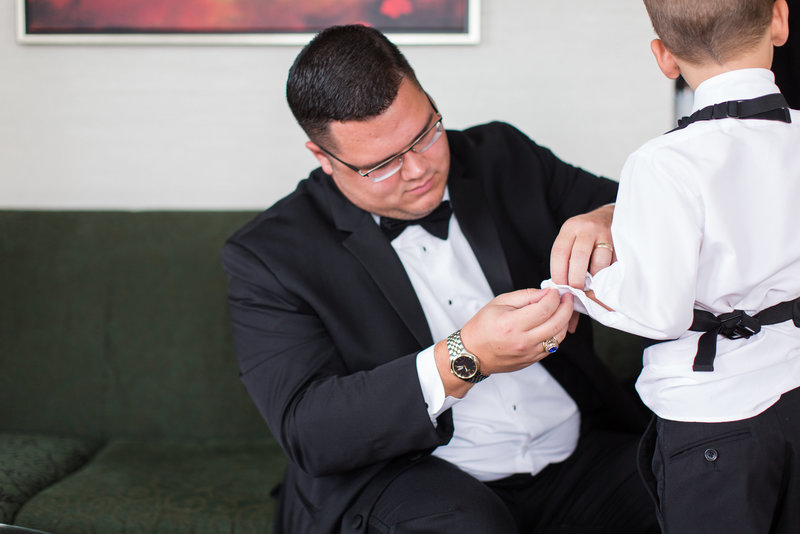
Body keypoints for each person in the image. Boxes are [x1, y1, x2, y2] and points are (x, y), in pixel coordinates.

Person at [222, 24, 657, 534]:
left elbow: (651, 212)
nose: (418, 169)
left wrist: (609, 216)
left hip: (575, 449)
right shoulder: (268, 255)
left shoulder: (501, 154)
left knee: (692, 490)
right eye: (382, 164)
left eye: (426, 133)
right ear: (323, 159)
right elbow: (308, 430)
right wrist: (462, 358)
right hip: (408, 478)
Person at [543, 1, 800, 532]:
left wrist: (575, 289)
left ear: (663, 57)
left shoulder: (664, 163)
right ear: (779, 20)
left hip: (714, 419)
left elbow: (658, 313)